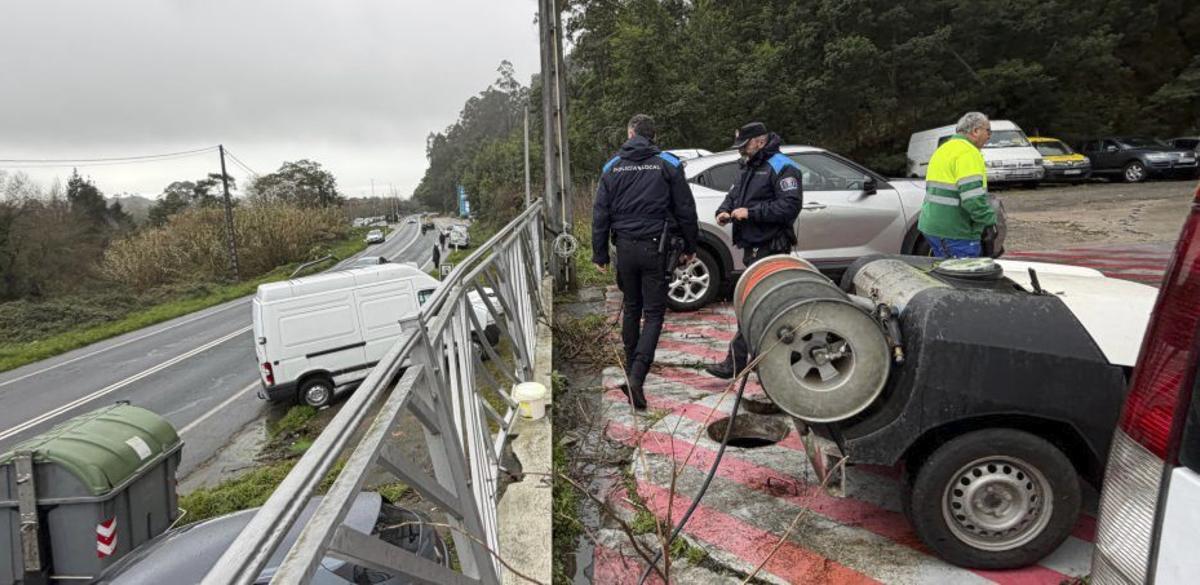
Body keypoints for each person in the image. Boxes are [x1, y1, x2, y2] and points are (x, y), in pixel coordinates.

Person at [592, 114, 699, 410]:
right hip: (656, 247)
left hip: (625, 248)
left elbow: (600, 213)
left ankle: (631, 371)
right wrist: (690, 245)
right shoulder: (668, 163)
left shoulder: (612, 166)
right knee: (653, 314)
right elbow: (685, 207)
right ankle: (637, 377)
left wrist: (599, 254)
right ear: (653, 135)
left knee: (631, 308)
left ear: (631, 134)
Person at [704, 122, 803, 380]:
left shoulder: (783, 167)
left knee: (756, 305)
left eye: (744, 144)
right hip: (752, 246)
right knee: (762, 306)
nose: (740, 150)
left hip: (771, 245)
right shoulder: (749, 165)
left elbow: (789, 207)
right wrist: (723, 211)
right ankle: (764, 360)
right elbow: (734, 194)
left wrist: (751, 213)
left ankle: (737, 363)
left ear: (759, 141)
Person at [917, 111, 998, 258]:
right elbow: (972, 198)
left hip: (933, 227)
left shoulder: (943, 149)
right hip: (956, 231)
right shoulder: (968, 153)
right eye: (988, 131)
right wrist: (989, 221)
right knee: (965, 271)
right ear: (975, 131)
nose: (989, 136)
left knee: (945, 269)